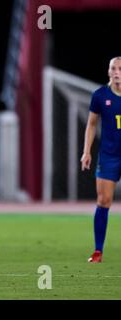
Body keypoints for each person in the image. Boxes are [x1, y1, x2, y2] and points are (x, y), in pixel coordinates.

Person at [81, 56, 121, 263]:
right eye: (113, 68)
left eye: (120, 68)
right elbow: (92, 124)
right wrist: (86, 151)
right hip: (109, 156)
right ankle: (98, 251)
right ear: (108, 71)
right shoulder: (100, 95)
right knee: (103, 200)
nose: (116, 72)